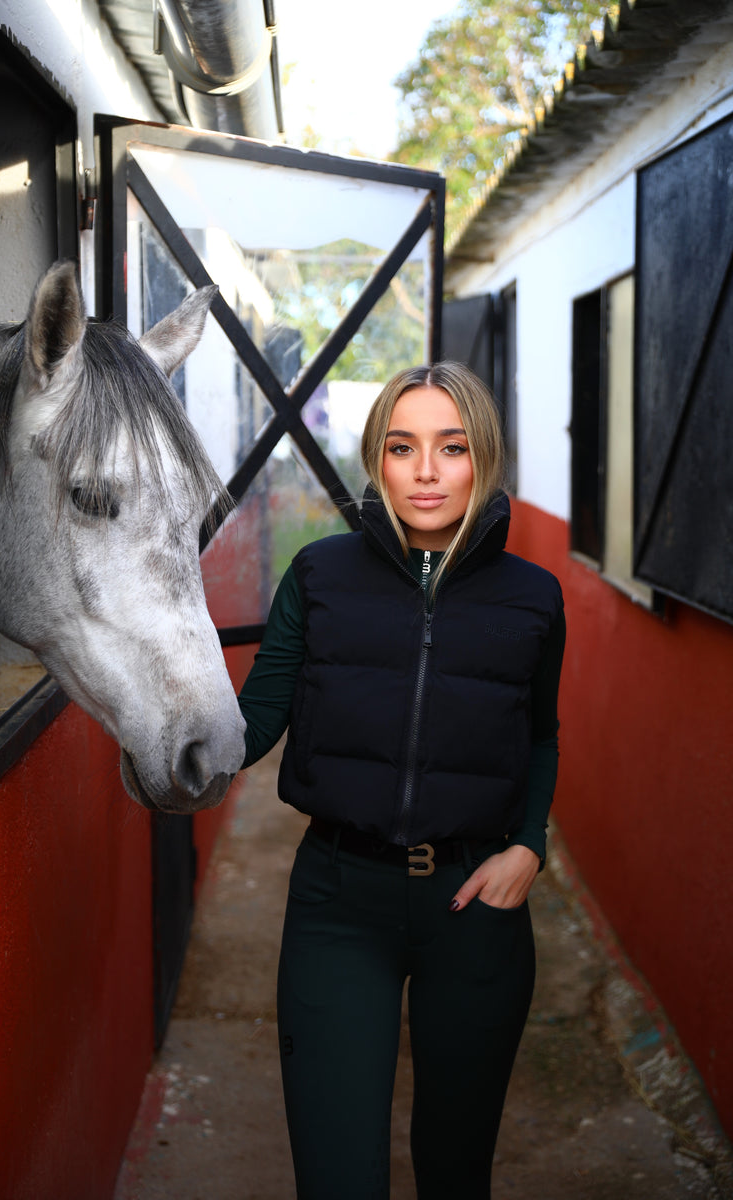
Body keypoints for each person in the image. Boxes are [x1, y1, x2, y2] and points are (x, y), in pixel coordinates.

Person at [237, 361, 566, 1200]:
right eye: (402, 446)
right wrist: (159, 722)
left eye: (451, 448)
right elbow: (249, 728)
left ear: (483, 459)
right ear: (376, 461)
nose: (426, 471)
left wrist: (529, 843)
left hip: (476, 909)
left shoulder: (534, 599)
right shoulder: (318, 577)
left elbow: (538, 735)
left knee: (456, 1172)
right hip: (338, 906)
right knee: (338, 1176)